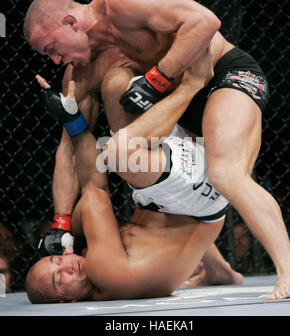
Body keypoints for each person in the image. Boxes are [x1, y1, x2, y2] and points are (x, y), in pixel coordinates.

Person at [23, 0, 290, 300]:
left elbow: (205, 22)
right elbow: (70, 148)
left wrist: (159, 77)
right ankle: (218, 268)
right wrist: (60, 223)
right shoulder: (81, 74)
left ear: (70, 22)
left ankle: (289, 270)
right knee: (116, 85)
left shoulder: (121, 6)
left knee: (224, 172)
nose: (53, 60)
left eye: (51, 47)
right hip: (178, 106)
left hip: (221, 77)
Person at [26, 53, 245, 303]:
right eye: (59, 279)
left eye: (57, 261)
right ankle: (192, 83)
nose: (67, 267)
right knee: (117, 156)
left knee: (116, 83)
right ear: (66, 301)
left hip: (187, 206)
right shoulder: (104, 272)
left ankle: (220, 271)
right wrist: (64, 230)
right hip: (194, 193)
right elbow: (94, 193)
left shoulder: (103, 281)